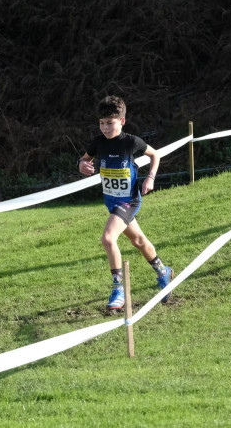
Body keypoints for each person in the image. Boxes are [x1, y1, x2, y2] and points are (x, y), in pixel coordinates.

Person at [77, 95, 173, 310]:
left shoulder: (131, 141)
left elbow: (154, 155)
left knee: (108, 238)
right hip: (111, 202)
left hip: (129, 200)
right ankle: (163, 272)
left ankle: (118, 288)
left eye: (110, 123)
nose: (105, 128)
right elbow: (84, 160)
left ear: (121, 121)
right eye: (101, 123)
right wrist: (82, 165)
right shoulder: (98, 142)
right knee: (138, 241)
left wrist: (150, 177)